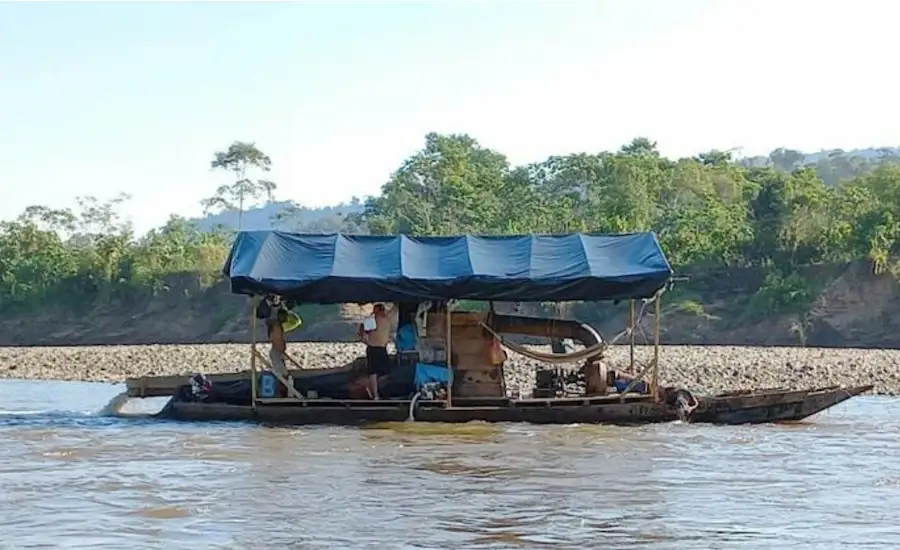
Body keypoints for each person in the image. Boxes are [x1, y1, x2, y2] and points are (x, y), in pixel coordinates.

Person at [358, 303, 393, 400]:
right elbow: (362, 330)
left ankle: (373, 388)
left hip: (382, 348)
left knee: (385, 371)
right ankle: (375, 394)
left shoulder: (387, 320)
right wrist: (365, 340)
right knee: (373, 372)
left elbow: (394, 310)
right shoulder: (372, 321)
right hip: (373, 347)